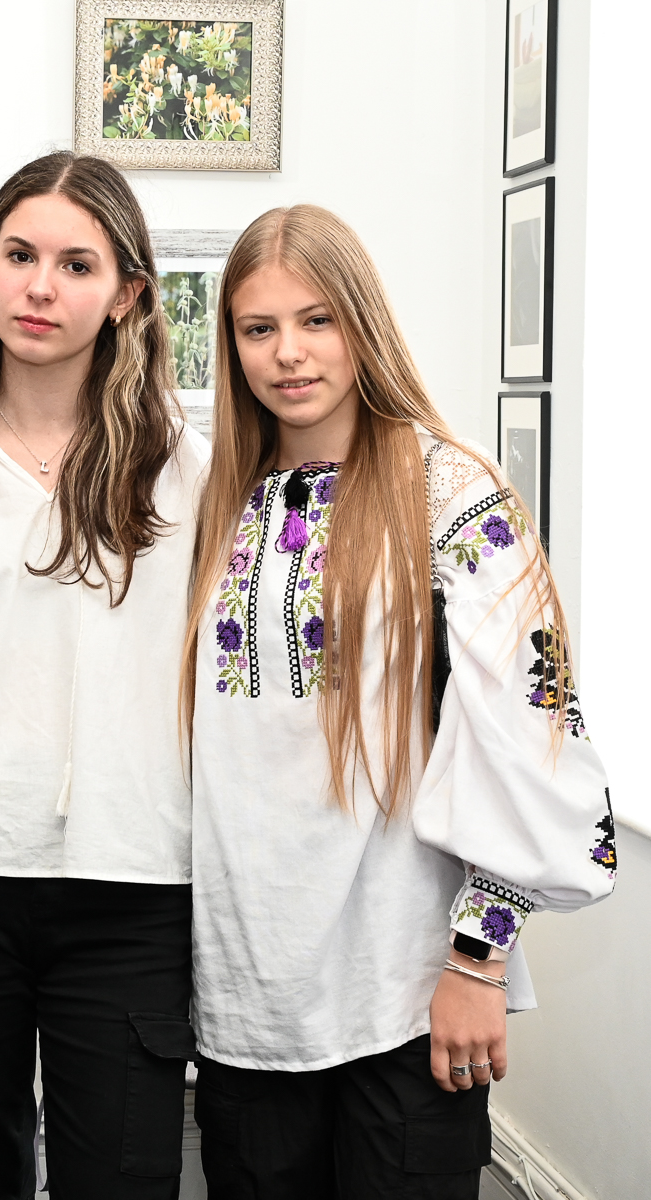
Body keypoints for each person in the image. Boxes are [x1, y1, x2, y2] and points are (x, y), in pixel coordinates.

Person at [180, 204, 615, 1198]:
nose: (289, 353)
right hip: (248, 998)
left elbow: (533, 734)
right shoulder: (215, 499)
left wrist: (478, 962)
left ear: (363, 322)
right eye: (258, 327)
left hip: (409, 990)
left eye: (317, 320)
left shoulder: (451, 490)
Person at [0, 151, 210, 1199]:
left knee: (123, 1178)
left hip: (132, 879)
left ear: (127, 294)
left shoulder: (194, 471)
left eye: (76, 265)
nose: (41, 287)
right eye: (20, 256)